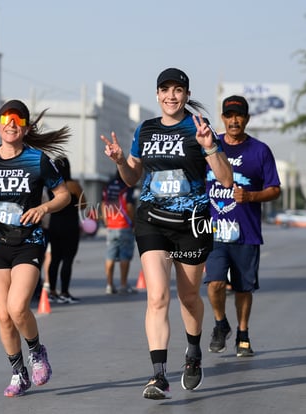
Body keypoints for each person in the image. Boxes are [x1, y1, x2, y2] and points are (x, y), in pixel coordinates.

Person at [100, 67, 233, 399]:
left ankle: (193, 351)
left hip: (192, 224)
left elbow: (227, 180)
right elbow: (132, 178)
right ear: (157, 94)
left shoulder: (198, 128)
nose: (171, 96)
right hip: (152, 221)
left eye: (178, 90)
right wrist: (119, 161)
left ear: (187, 95)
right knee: (157, 296)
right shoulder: (145, 130)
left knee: (188, 298)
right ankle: (158, 375)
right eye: (165, 89)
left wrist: (210, 147)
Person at [0, 99, 71, 397]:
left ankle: (36, 352)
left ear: (25, 128)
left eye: (17, 121)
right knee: (3, 315)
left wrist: (44, 207)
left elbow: (64, 196)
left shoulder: (38, 160)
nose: (11, 125)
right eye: (6, 119)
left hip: (27, 243)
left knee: (18, 308)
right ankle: (18, 373)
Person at [205, 95, 281, 357]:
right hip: (214, 231)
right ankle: (220, 323)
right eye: (229, 115)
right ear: (223, 118)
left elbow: (274, 190)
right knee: (214, 283)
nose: (234, 120)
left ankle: (243, 333)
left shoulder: (260, 151)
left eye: (239, 115)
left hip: (246, 232)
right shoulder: (210, 147)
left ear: (246, 119)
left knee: (243, 288)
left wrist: (251, 197)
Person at [47, 157, 86, 304]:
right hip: (70, 226)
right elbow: (83, 205)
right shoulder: (73, 185)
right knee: (67, 260)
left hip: (54, 225)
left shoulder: (50, 185)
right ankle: (64, 292)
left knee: (54, 259)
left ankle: (51, 291)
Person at [101, 169, 137, 295]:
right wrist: (133, 222)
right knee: (124, 256)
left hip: (111, 225)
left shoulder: (108, 187)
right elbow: (129, 206)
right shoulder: (127, 186)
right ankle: (123, 284)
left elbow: (103, 204)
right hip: (124, 225)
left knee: (110, 255)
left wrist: (106, 221)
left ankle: (109, 285)